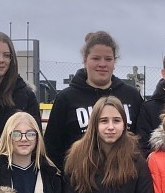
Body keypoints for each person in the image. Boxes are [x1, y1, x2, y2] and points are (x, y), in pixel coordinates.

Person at [44, 31, 144, 170]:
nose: (102, 64)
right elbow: (52, 148)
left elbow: (141, 142)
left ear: (114, 62)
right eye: (96, 58)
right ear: (85, 60)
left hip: (125, 176)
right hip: (80, 178)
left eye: (108, 59)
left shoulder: (131, 96)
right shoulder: (66, 98)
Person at [0, 31, 42, 137]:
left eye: (6, 55)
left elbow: (36, 137)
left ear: (11, 59)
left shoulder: (27, 96)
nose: (1, 60)